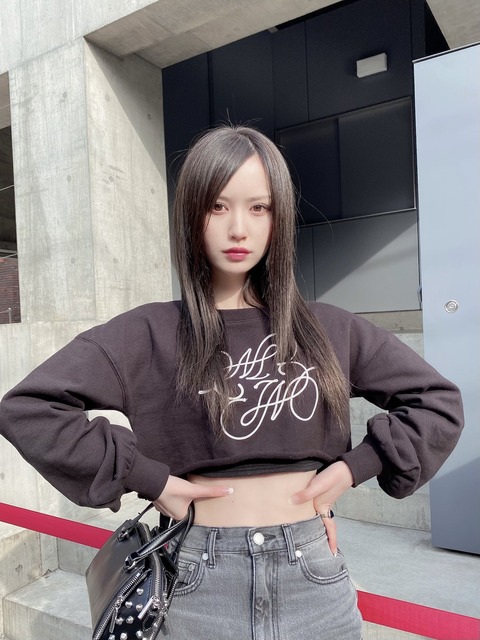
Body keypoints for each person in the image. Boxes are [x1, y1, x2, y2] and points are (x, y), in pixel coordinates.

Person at [0, 125, 463, 639]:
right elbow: (29, 409)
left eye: (258, 207)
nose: (238, 228)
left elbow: (437, 403)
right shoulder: (148, 332)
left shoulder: (328, 328)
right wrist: (149, 479)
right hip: (196, 581)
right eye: (218, 206)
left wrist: (355, 468)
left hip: (312, 578)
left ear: (278, 218)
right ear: (191, 215)